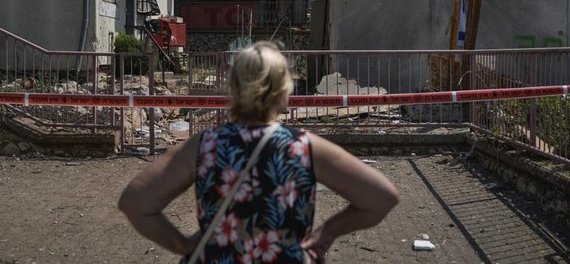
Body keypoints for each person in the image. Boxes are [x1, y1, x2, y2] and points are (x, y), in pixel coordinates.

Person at [118, 41, 399, 263]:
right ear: (283, 90)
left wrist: (184, 246)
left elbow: (135, 202)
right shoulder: (304, 147)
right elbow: (382, 197)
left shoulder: (204, 146)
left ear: (233, 87)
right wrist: (328, 232)